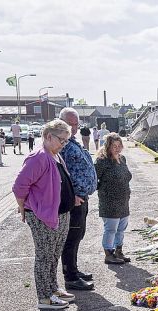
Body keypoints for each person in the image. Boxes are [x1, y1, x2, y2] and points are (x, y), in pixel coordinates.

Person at [12, 119, 78, 310]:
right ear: (49, 136)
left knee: (54, 254)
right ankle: (44, 297)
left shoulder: (55, 155)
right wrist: (22, 207)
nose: (64, 144)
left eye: (67, 140)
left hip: (60, 214)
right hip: (43, 216)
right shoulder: (38, 157)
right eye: (62, 140)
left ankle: (53, 288)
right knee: (44, 256)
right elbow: (19, 186)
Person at [58, 107, 97, 291]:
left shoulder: (71, 141)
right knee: (71, 237)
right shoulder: (61, 145)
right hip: (74, 200)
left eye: (76, 124)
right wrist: (71, 195)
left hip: (82, 198)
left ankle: (74, 269)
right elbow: (60, 174)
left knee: (78, 235)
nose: (74, 128)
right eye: (70, 124)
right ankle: (70, 276)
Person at [94, 133, 132, 265]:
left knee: (121, 228)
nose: (117, 148)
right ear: (108, 147)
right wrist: (104, 190)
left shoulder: (123, 159)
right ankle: (109, 254)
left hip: (123, 201)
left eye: (119, 145)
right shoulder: (102, 161)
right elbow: (94, 180)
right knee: (111, 229)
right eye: (113, 146)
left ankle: (118, 251)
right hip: (109, 201)